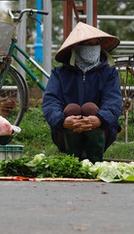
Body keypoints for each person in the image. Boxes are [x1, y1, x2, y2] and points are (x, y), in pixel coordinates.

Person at [42, 22, 122, 163]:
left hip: (101, 131)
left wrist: (99, 119)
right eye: (87, 44)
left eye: (95, 44)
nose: (92, 48)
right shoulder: (59, 74)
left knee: (89, 108)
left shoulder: (109, 73)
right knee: (72, 108)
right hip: (66, 133)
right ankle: (73, 160)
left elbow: (113, 102)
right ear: (76, 48)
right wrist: (63, 121)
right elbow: (50, 102)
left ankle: (95, 160)